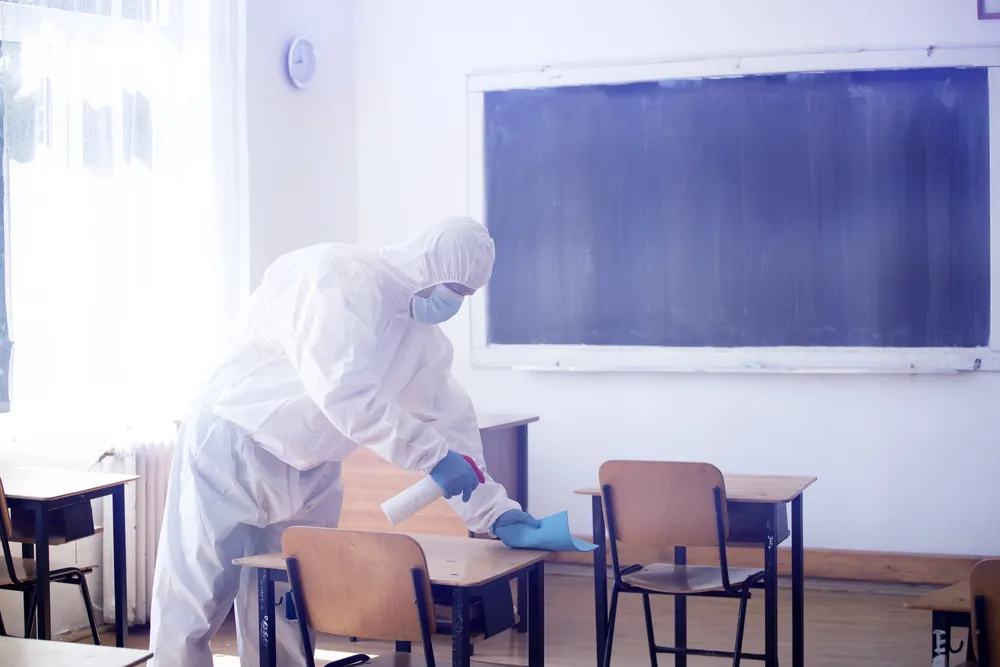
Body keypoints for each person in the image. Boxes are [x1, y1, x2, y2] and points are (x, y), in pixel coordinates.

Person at [149, 217, 539, 667]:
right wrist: (433, 456)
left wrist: (495, 509)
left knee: (288, 601)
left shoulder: (421, 341)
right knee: (195, 594)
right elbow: (344, 392)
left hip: (309, 467)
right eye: (454, 287)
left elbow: (453, 423)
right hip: (234, 445)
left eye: (466, 295)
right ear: (429, 264)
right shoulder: (336, 277)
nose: (455, 301)